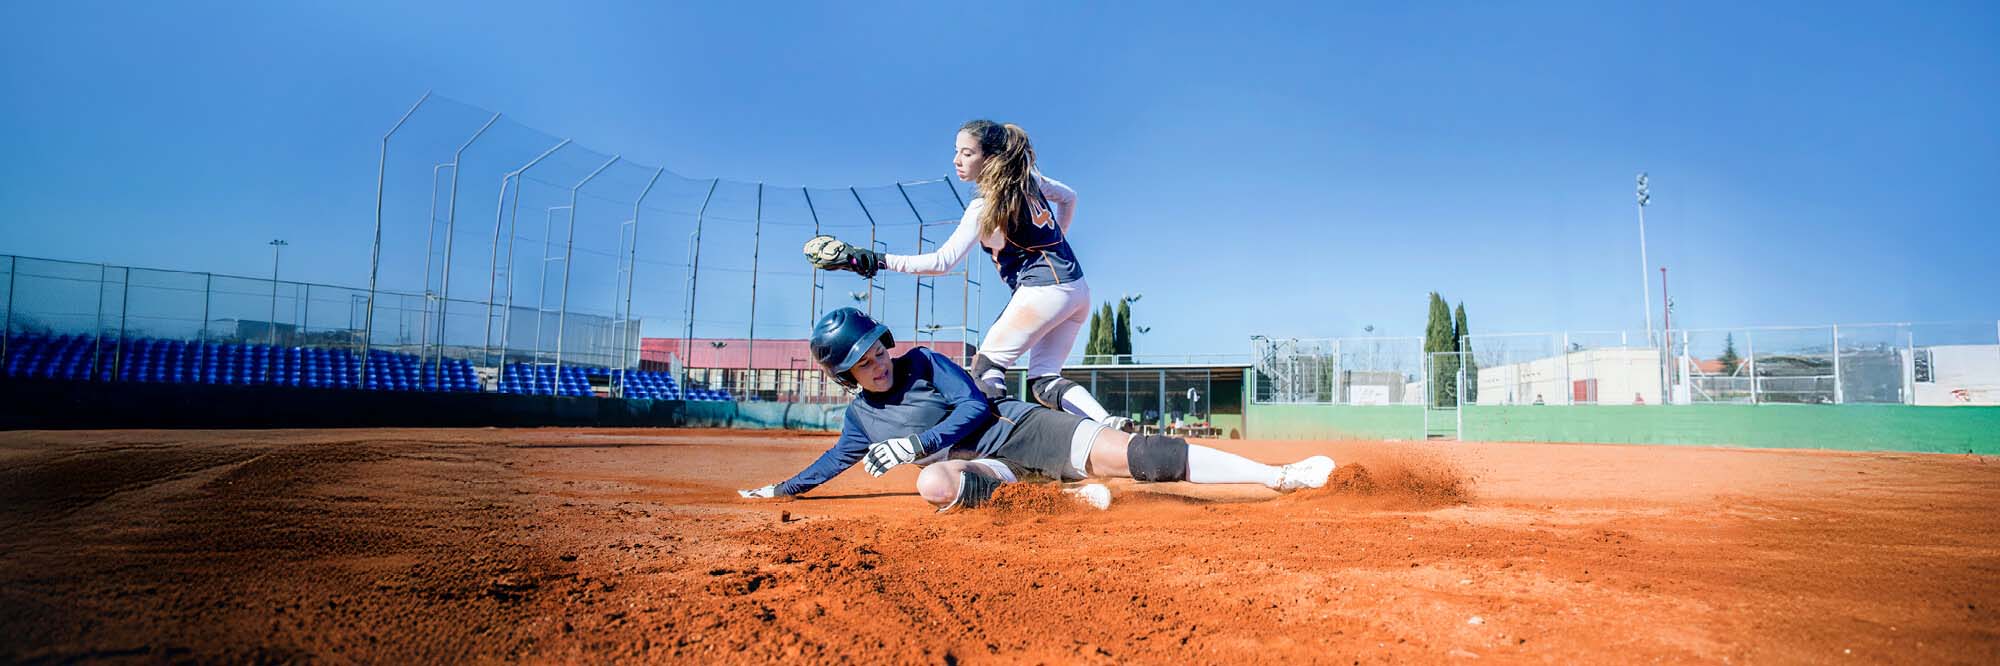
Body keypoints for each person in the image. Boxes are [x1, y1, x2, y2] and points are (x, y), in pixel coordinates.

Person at [737, 308, 1336, 512]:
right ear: (845, 376)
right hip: (990, 470)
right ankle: (1065, 497)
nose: (878, 364)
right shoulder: (861, 421)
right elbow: (833, 461)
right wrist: (781, 490)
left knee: (1141, 457)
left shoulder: (922, 361)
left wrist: (917, 443)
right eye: (863, 363)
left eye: (878, 350)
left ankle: (1277, 477)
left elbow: (975, 405)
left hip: (1020, 430)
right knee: (933, 486)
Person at [803, 119, 1128, 431]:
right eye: (956, 151)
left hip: (1043, 291)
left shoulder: (984, 206)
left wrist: (877, 260)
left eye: (967, 153)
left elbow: (942, 262)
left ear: (990, 158)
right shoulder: (1029, 179)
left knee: (986, 369)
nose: (957, 160)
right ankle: (1109, 424)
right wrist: (1057, 241)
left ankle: (1008, 440)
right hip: (1077, 289)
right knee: (1044, 380)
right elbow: (1069, 197)